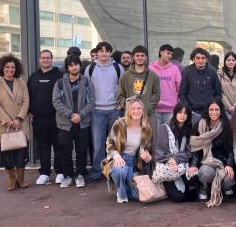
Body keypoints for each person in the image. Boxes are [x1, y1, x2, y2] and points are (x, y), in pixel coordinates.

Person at [53, 55, 95, 188]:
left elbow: (91, 101)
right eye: (71, 65)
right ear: (67, 68)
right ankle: (68, 176)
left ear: (80, 66)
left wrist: (80, 115)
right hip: (65, 123)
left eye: (76, 64)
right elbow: (56, 101)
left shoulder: (87, 82)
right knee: (65, 151)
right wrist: (70, 114)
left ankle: (80, 175)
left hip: (82, 122)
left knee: (81, 151)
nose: (74, 67)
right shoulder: (60, 82)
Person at [85, 41, 124, 181]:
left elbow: (122, 87)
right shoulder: (90, 68)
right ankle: (97, 171)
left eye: (106, 51)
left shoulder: (118, 67)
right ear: (97, 53)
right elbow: (86, 88)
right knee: (98, 144)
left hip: (115, 110)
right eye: (101, 51)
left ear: (110, 53)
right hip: (96, 111)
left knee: (116, 142)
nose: (104, 53)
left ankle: (115, 170)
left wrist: (121, 104)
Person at [0, 54, 30, 191]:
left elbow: (26, 102)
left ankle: (21, 178)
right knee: (7, 156)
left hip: (20, 123)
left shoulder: (22, 83)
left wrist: (19, 118)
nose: (10, 69)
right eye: (7, 67)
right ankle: (11, 179)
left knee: (21, 154)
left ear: (16, 69)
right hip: (4, 125)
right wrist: (7, 120)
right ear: (2, 68)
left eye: (13, 67)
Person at [103, 98, 153, 203]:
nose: (136, 111)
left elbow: (148, 150)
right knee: (120, 171)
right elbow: (109, 143)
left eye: (139, 108)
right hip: (119, 157)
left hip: (134, 163)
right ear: (128, 111)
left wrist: (147, 157)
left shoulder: (147, 129)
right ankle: (120, 192)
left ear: (143, 111)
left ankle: (125, 186)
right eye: (133, 108)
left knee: (138, 195)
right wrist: (116, 156)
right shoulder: (119, 124)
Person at [189, 99, 236, 206]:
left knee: (228, 180)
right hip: (205, 161)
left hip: (222, 162)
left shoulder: (226, 126)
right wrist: (194, 164)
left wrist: (229, 164)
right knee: (205, 173)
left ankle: (222, 188)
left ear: (221, 111)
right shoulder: (199, 125)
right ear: (207, 110)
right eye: (211, 109)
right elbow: (195, 148)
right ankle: (203, 188)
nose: (214, 112)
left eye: (217, 109)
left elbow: (230, 149)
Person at [27, 49, 63, 185]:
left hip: (57, 118)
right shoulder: (33, 76)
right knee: (43, 147)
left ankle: (60, 172)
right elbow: (27, 96)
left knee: (59, 146)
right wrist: (29, 111)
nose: (46, 60)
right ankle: (45, 173)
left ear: (52, 59)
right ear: (39, 59)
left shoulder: (59, 75)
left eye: (48, 57)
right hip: (39, 119)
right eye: (43, 57)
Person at [154, 101, 197, 202]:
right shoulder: (165, 128)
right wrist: (171, 160)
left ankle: (185, 186)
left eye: (185, 113)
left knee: (194, 177)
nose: (182, 115)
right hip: (168, 165)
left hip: (182, 163)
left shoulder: (189, 129)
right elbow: (160, 150)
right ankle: (169, 185)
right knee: (178, 197)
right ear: (175, 113)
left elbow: (188, 152)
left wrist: (177, 159)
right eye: (180, 112)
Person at [116, 45, 160, 130]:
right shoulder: (125, 76)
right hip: (131, 116)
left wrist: (145, 110)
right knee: (131, 138)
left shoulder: (153, 76)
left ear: (146, 57)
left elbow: (156, 95)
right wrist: (131, 109)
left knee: (150, 138)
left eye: (142, 55)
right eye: (137, 55)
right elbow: (120, 96)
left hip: (148, 115)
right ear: (133, 57)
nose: (140, 58)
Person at [179, 47, 222, 125]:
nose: (200, 60)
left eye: (203, 58)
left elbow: (218, 93)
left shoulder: (212, 72)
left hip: (209, 113)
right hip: (193, 113)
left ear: (207, 59)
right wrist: (188, 109)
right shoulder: (187, 72)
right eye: (198, 58)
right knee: (193, 132)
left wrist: (214, 108)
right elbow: (182, 93)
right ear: (193, 59)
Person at [149, 44, 182, 127]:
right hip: (154, 109)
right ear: (161, 52)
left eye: (171, 54)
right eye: (168, 53)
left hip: (170, 109)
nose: (170, 56)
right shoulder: (151, 68)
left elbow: (179, 88)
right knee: (156, 133)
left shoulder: (175, 69)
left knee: (169, 133)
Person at [218, 52, 236, 118]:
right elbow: (219, 92)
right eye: (228, 60)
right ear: (225, 61)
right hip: (225, 108)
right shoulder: (220, 74)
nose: (231, 62)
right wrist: (229, 106)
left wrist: (235, 106)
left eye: (233, 60)